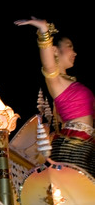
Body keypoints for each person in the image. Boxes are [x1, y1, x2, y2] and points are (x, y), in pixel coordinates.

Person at [14, 17, 94, 177]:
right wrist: (44, 31)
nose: (75, 52)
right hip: (73, 146)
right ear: (55, 51)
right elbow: (49, 65)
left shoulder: (73, 84)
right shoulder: (56, 81)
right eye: (70, 47)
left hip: (87, 144)